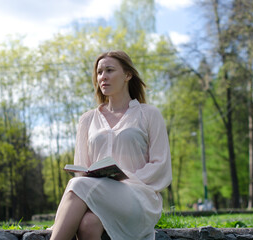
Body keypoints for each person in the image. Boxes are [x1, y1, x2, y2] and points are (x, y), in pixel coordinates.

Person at [50, 50, 172, 240]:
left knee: (77, 184)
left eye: (109, 70)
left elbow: (161, 166)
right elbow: (82, 168)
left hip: (139, 197)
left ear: (127, 75)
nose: (103, 77)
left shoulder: (149, 114)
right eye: (99, 72)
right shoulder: (87, 120)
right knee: (88, 225)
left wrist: (123, 178)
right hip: (97, 195)